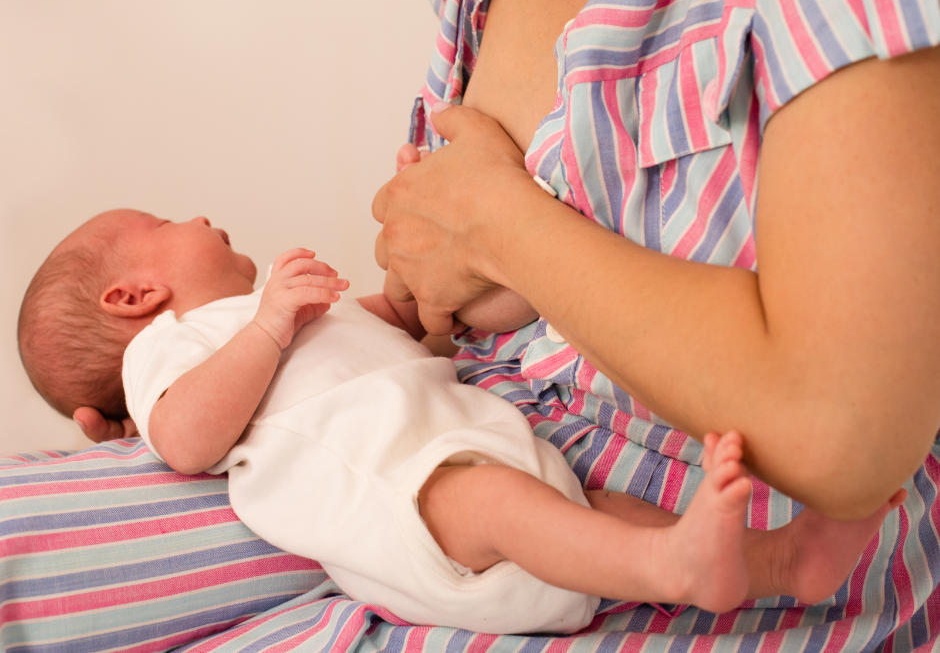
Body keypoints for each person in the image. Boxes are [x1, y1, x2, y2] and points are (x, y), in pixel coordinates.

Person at [3, 0, 938, 650]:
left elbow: (842, 430)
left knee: (514, 510)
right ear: (134, 294)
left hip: (544, 482)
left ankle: (744, 564)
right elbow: (198, 430)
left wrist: (498, 227)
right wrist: (417, 266)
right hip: (436, 443)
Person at [16, 209, 903, 634]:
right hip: (397, 508)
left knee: (574, 504)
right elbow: (185, 437)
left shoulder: (273, 313)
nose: (202, 215)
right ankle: (669, 566)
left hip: (458, 451)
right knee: (500, 507)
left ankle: (787, 561)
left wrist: (415, 276)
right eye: (170, 221)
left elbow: (403, 318)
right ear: (135, 296)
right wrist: (268, 322)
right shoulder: (171, 351)